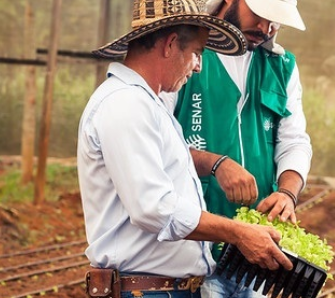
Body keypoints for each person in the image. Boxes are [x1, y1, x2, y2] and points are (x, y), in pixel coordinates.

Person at [78, 1, 292, 297]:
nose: (199, 66)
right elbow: (154, 208)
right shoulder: (125, 104)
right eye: (197, 53)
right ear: (170, 45)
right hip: (145, 291)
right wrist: (239, 233)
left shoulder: (151, 106)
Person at [160, 0, 312, 297]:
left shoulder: (281, 67)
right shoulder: (184, 58)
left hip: (250, 258)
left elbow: (295, 140)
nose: (267, 28)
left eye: (275, 21)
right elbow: (156, 145)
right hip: (190, 256)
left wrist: (287, 193)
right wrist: (217, 163)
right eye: (260, 15)